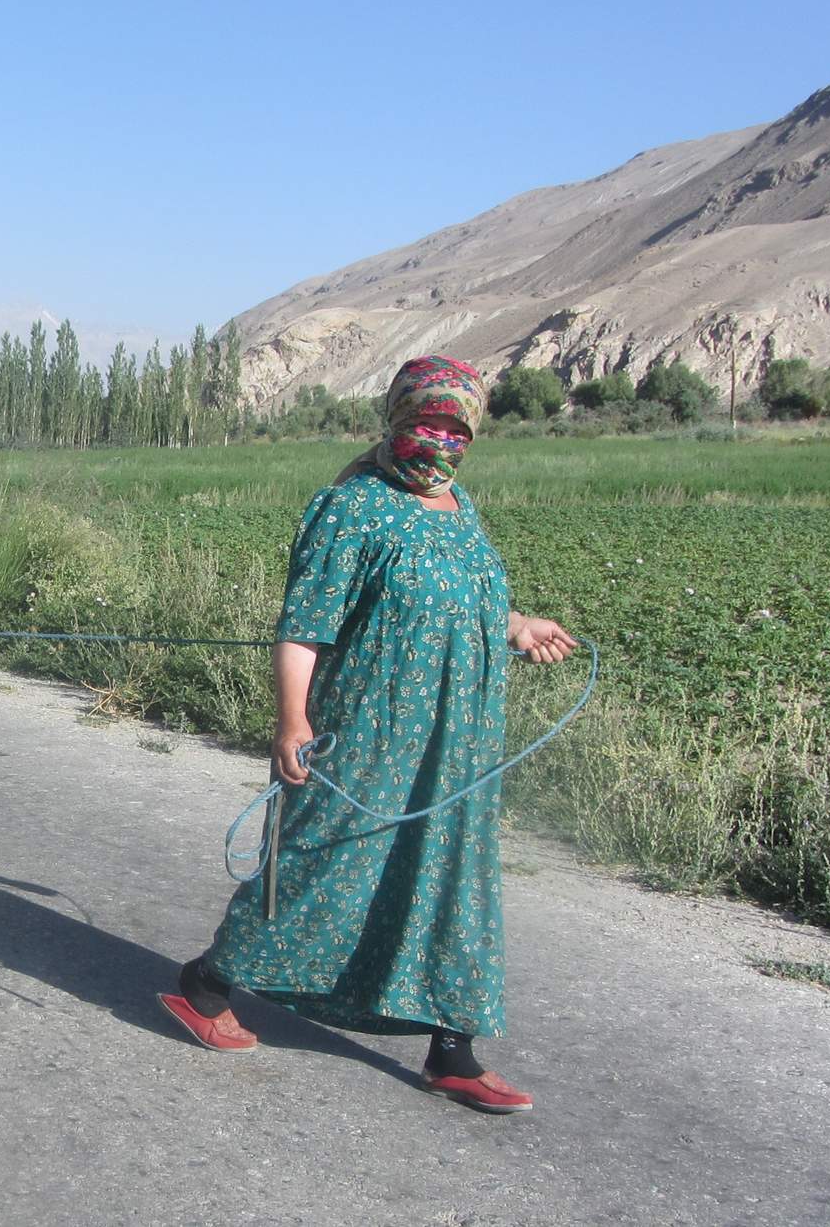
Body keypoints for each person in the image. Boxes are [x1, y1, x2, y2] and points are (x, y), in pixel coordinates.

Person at [158, 354, 578, 1115]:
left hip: (462, 744)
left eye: (455, 427)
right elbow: (303, 629)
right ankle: (206, 984)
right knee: (327, 865)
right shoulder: (351, 507)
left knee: (456, 882)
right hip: (374, 731)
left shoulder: (460, 506)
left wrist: (518, 627)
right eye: (427, 422)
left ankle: (453, 1049)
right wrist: (292, 722)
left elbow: (462, 603)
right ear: (395, 419)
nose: (440, 439)